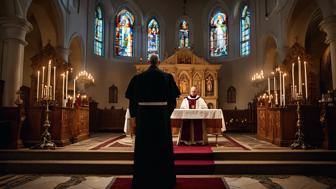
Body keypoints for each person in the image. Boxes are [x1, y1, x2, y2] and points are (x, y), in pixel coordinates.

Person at [125, 54, 180, 189]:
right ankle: (164, 179)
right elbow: (173, 101)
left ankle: (143, 179)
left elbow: (132, 101)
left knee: (145, 147)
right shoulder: (167, 77)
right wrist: (166, 114)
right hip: (161, 117)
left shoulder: (138, 78)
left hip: (143, 117)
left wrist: (134, 116)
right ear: (159, 62)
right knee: (161, 147)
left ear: (149, 62)